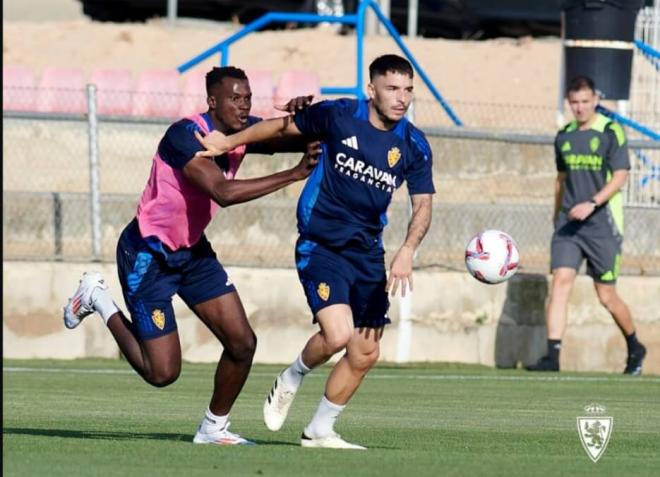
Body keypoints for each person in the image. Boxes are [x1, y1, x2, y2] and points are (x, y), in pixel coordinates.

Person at [63, 66, 320, 445]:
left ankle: (212, 429)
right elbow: (223, 193)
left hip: (192, 253)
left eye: (247, 97)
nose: (243, 105)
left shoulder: (242, 132)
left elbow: (298, 136)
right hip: (149, 255)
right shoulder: (184, 136)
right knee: (162, 373)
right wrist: (294, 174)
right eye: (235, 98)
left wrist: (304, 118)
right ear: (212, 101)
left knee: (242, 343)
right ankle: (97, 298)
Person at [196, 54, 434, 449]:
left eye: (408, 90)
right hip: (321, 244)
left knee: (365, 351)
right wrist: (230, 141)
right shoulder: (338, 115)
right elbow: (280, 126)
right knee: (338, 334)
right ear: (371, 90)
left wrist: (407, 249)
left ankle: (320, 430)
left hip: (367, 253)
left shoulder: (413, 144)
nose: (401, 98)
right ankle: (293, 375)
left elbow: (423, 203)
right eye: (392, 88)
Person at [526, 75, 646, 375]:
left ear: (595, 100)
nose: (579, 108)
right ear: (569, 103)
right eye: (574, 102)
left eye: (585, 102)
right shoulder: (564, 135)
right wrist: (557, 217)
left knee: (606, 295)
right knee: (561, 284)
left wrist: (592, 203)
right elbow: (561, 180)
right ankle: (552, 358)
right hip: (568, 227)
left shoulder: (610, 131)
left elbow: (620, 176)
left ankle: (635, 346)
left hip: (602, 225)